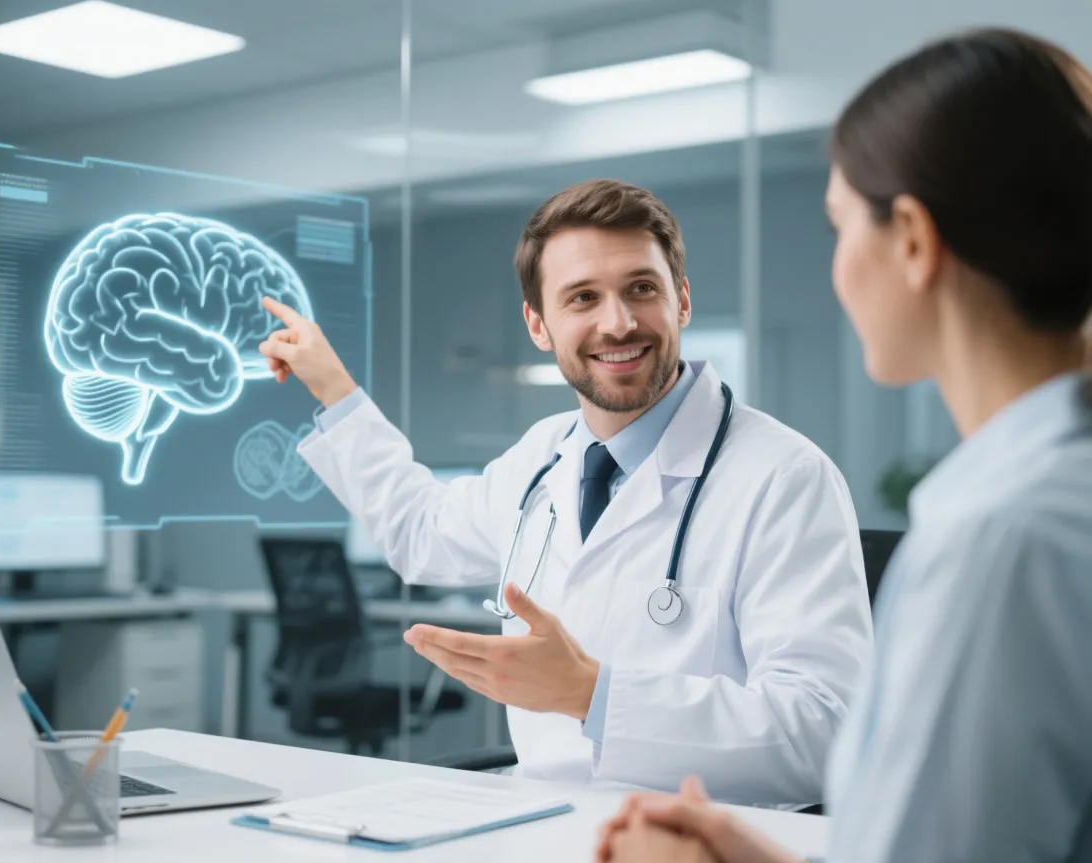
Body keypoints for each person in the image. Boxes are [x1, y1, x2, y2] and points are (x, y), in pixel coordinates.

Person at [595, 27, 1092, 863]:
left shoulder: (1004, 539)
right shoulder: (1051, 494)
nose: (836, 267)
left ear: (913, 240)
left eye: (839, 225)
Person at [258, 179, 873, 805]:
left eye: (642, 288)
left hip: (698, 841)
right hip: (536, 822)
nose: (618, 323)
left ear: (682, 300)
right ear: (538, 324)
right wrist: (334, 389)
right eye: (583, 298)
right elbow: (421, 533)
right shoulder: (542, 456)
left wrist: (590, 694)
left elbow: (827, 732)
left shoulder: (784, 477)